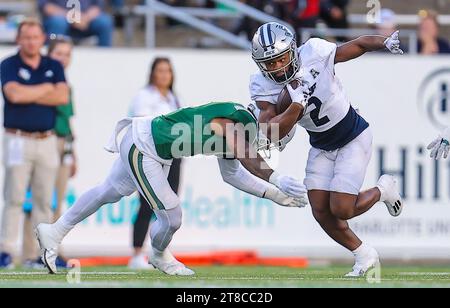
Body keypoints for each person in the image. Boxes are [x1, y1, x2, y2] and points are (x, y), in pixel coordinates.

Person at [36, 101, 309, 275]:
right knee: (172, 215)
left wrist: (275, 194)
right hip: (145, 146)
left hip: (149, 145)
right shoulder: (239, 120)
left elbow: (233, 175)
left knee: (108, 192)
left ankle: (54, 231)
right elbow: (242, 149)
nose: (270, 144)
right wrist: (274, 178)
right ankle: (158, 255)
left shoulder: (241, 129)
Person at [249, 22, 404, 277]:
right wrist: (296, 104)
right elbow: (271, 131)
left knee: (342, 208)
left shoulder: (314, 51)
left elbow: (357, 45)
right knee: (321, 210)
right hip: (321, 144)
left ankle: (383, 189)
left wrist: (383, 42)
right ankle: (364, 255)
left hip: (352, 135)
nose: (276, 68)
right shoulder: (261, 84)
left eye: (280, 59)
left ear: (293, 49)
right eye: (269, 63)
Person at [0, 18, 69, 268]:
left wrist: (30, 92)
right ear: (19, 39)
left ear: (42, 39)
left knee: (44, 200)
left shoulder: (53, 64)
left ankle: (44, 253)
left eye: (35, 37)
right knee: (14, 197)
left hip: (46, 139)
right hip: (18, 138)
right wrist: (45, 89)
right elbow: (13, 94)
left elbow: (62, 96)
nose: (30, 41)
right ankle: (7, 250)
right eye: (26, 37)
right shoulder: (9, 64)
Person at [22, 35, 77, 269]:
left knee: (56, 203)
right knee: (37, 200)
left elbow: (68, 120)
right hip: (45, 140)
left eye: (67, 55)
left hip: (62, 143)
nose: (62, 59)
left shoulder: (65, 84)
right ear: (49, 54)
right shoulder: (42, 80)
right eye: (58, 54)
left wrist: (73, 151)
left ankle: (51, 250)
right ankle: (30, 252)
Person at [128, 57, 182, 270]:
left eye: (167, 71)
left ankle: (159, 250)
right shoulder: (144, 96)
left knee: (169, 206)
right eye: (160, 70)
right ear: (152, 73)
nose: (164, 75)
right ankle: (136, 252)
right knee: (146, 204)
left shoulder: (174, 98)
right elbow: (143, 125)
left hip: (173, 155)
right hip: (150, 155)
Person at [38, 0, 113, 47]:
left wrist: (85, 18)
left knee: (105, 22)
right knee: (58, 22)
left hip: (86, 20)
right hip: (60, 19)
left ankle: (104, 59)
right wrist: (71, 17)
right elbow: (46, 6)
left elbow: (97, 6)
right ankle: (51, 58)